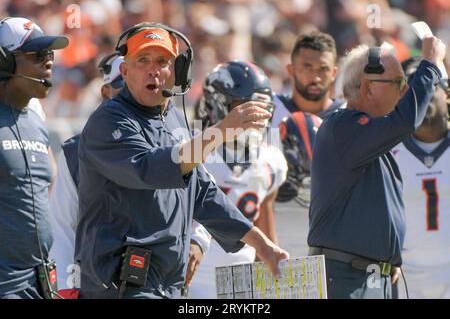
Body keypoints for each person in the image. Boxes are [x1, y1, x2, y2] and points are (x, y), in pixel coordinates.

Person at [75, 22, 289, 299]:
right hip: (120, 282)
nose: (154, 69)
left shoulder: (172, 116)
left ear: (176, 72)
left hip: (166, 282)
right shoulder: (108, 120)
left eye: (163, 61)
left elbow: (201, 191)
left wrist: (262, 245)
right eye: (143, 60)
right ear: (125, 70)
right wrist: (222, 130)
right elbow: (150, 168)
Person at [307, 37, 446, 299]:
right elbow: (405, 122)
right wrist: (430, 64)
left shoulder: (368, 135)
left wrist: (387, 257)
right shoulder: (343, 126)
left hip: (371, 275)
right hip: (345, 276)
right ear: (368, 88)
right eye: (398, 82)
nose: (404, 91)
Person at [186, 61, 288, 298]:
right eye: (244, 107)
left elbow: (265, 231)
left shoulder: (271, 161)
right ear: (217, 105)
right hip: (189, 280)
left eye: (261, 109)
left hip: (240, 286)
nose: (254, 118)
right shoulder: (192, 150)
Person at [0, 17, 68, 299]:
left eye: (49, 54)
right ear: (4, 62)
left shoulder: (36, 118)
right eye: (37, 55)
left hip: (39, 281)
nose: (48, 62)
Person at [48, 53, 124, 293]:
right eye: (124, 88)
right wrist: (66, 289)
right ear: (106, 92)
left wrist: (198, 241)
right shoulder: (74, 153)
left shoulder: (173, 146)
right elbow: (62, 229)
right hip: (98, 285)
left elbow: (202, 199)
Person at [392, 57, 450, 299]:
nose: (422, 94)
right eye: (413, 87)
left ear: (447, 94)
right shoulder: (384, 150)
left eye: (429, 86)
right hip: (404, 277)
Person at [271, 30, 343, 129]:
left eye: (323, 69)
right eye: (307, 68)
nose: (316, 78)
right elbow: (245, 143)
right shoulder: (269, 112)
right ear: (291, 70)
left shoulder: (346, 117)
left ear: (334, 73)